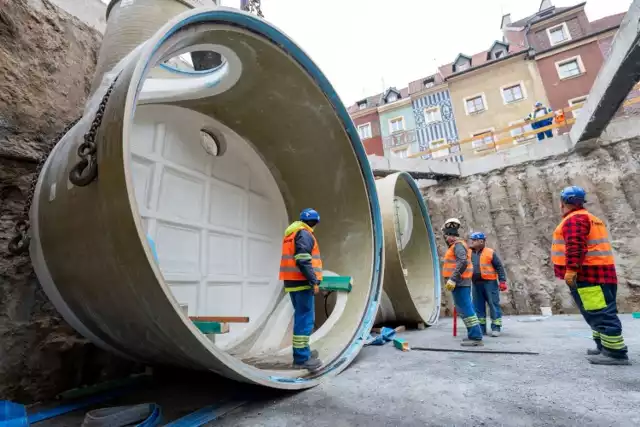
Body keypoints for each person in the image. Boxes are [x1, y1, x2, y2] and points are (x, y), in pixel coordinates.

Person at [552, 186, 631, 365]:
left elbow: (575, 246)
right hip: (601, 273)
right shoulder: (592, 219)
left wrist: (571, 269)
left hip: (588, 275)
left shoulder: (574, 219)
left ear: (563, 202)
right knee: (596, 311)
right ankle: (603, 346)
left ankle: (615, 352)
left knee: (600, 312)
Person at [279, 208, 323, 370]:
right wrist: (314, 281)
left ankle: (304, 352)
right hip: (302, 282)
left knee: (301, 316)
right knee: (305, 319)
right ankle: (301, 358)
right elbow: (303, 259)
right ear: (315, 222)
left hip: (292, 282)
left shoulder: (291, 233)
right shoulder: (305, 234)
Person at [441, 218, 483, 346]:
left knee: (466, 308)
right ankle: (473, 334)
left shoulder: (458, 246)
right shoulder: (457, 245)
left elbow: (462, 262)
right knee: (464, 308)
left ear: (451, 236)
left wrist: (453, 278)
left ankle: (476, 337)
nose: (446, 239)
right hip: (460, 282)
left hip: (460, 282)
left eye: (447, 236)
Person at [469, 232, 508, 337]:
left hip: (490, 283)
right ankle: (481, 329)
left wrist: (502, 281)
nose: (471, 241)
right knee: (478, 307)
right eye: (471, 239)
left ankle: (496, 328)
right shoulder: (469, 253)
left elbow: (499, 267)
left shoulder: (490, 252)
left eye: (474, 240)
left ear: (481, 241)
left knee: (493, 305)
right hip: (476, 284)